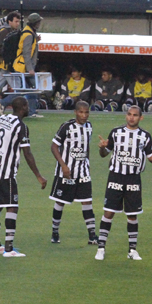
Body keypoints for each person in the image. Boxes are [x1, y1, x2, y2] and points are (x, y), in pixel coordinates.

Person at [95, 106, 152, 261]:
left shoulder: (145, 136)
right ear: (126, 116)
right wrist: (102, 148)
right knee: (108, 212)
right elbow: (104, 154)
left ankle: (132, 250)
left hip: (133, 179)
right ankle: (101, 248)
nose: (131, 118)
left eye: (135, 115)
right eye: (129, 114)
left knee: (132, 215)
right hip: (115, 177)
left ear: (140, 118)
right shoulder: (116, 132)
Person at [0, 97, 47, 256]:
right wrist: (39, 176)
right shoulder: (21, 127)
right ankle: (9, 248)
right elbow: (27, 153)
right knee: (12, 206)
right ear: (24, 107)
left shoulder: (0, 119)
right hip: (6, 173)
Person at [49, 101, 97, 245]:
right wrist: (63, 166)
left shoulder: (89, 127)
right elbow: (54, 147)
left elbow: (87, 147)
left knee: (87, 201)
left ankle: (92, 235)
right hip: (66, 172)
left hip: (83, 172)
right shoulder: (67, 127)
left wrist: (87, 163)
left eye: (86, 112)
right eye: (81, 112)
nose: (84, 115)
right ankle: (55, 232)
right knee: (60, 202)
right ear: (75, 112)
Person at [13, 13, 44, 117]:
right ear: (35, 23)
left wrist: (36, 40)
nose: (40, 23)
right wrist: (30, 69)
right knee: (31, 89)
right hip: (24, 67)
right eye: (39, 22)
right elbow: (26, 53)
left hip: (23, 66)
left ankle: (31, 111)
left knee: (28, 90)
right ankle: (3, 103)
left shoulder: (29, 32)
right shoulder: (29, 34)